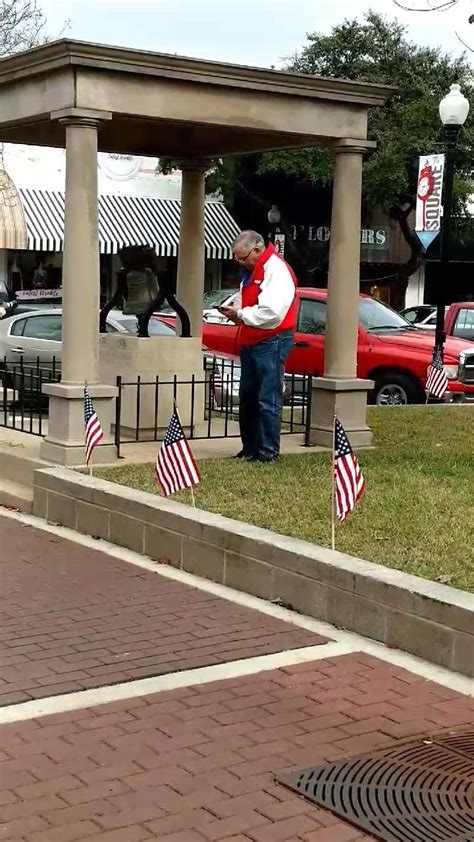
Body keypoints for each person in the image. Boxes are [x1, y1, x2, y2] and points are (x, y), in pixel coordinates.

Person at [219, 230, 297, 463]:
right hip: (252, 339)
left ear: (257, 250)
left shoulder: (276, 270)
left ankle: (268, 452)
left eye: (243, 258)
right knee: (248, 396)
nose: (240, 262)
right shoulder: (252, 271)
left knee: (268, 398)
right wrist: (236, 310)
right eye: (236, 258)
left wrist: (241, 314)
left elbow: (272, 312)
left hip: (272, 340)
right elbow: (250, 300)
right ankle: (250, 448)